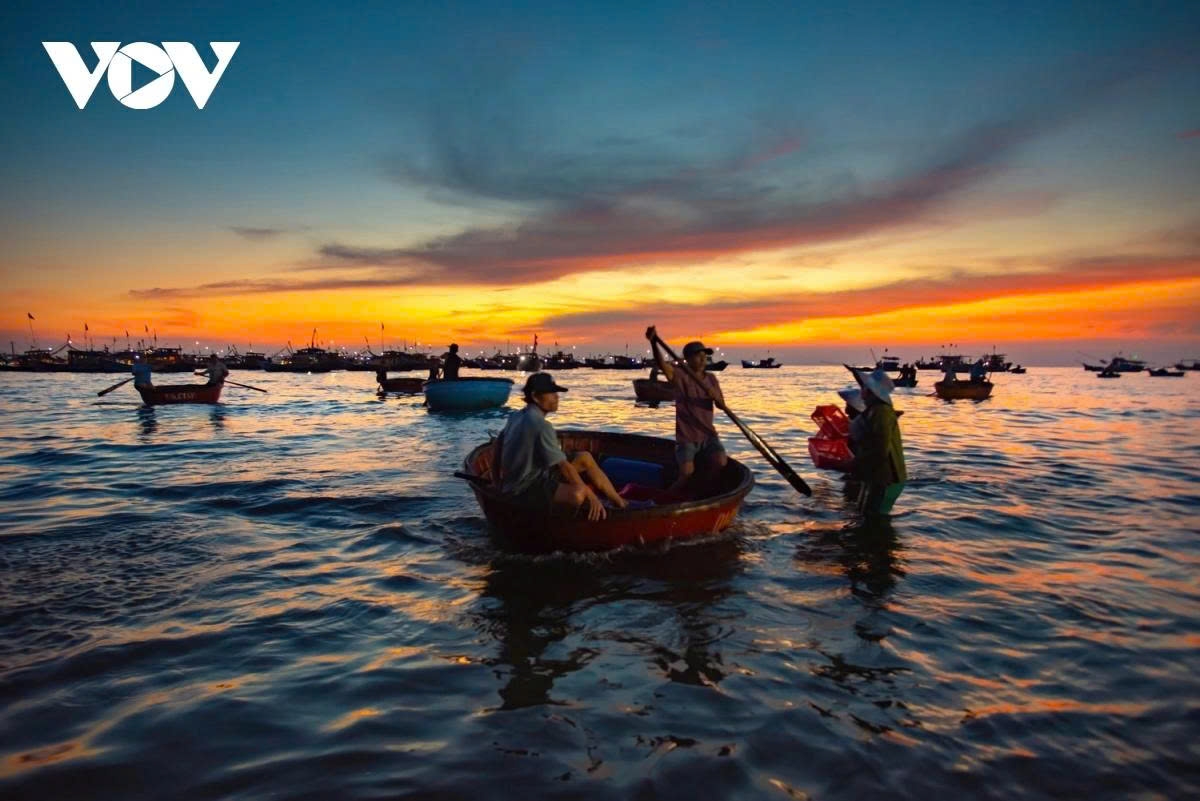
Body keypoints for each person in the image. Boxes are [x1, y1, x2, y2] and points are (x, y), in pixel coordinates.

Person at [496, 372, 628, 520]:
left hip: (527, 478)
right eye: (551, 393)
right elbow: (564, 467)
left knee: (584, 457)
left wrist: (497, 483)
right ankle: (567, 520)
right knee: (578, 494)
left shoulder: (516, 416)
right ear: (534, 396)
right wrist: (591, 497)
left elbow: (497, 446)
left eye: (556, 392)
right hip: (526, 489)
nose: (556, 397)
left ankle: (620, 502)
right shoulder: (541, 426)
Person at [645, 327, 728, 492]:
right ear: (688, 359)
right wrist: (654, 342)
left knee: (721, 462)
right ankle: (667, 498)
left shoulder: (711, 379)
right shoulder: (681, 375)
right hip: (687, 438)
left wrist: (714, 396)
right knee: (686, 473)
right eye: (699, 355)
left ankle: (704, 491)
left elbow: (721, 405)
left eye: (705, 355)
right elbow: (662, 364)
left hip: (708, 435)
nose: (704, 358)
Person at [845, 367, 906, 515]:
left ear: (871, 392)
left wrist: (848, 465)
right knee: (863, 515)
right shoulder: (874, 410)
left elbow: (879, 450)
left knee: (874, 520)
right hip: (875, 475)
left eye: (865, 388)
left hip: (886, 479)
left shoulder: (881, 413)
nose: (862, 392)